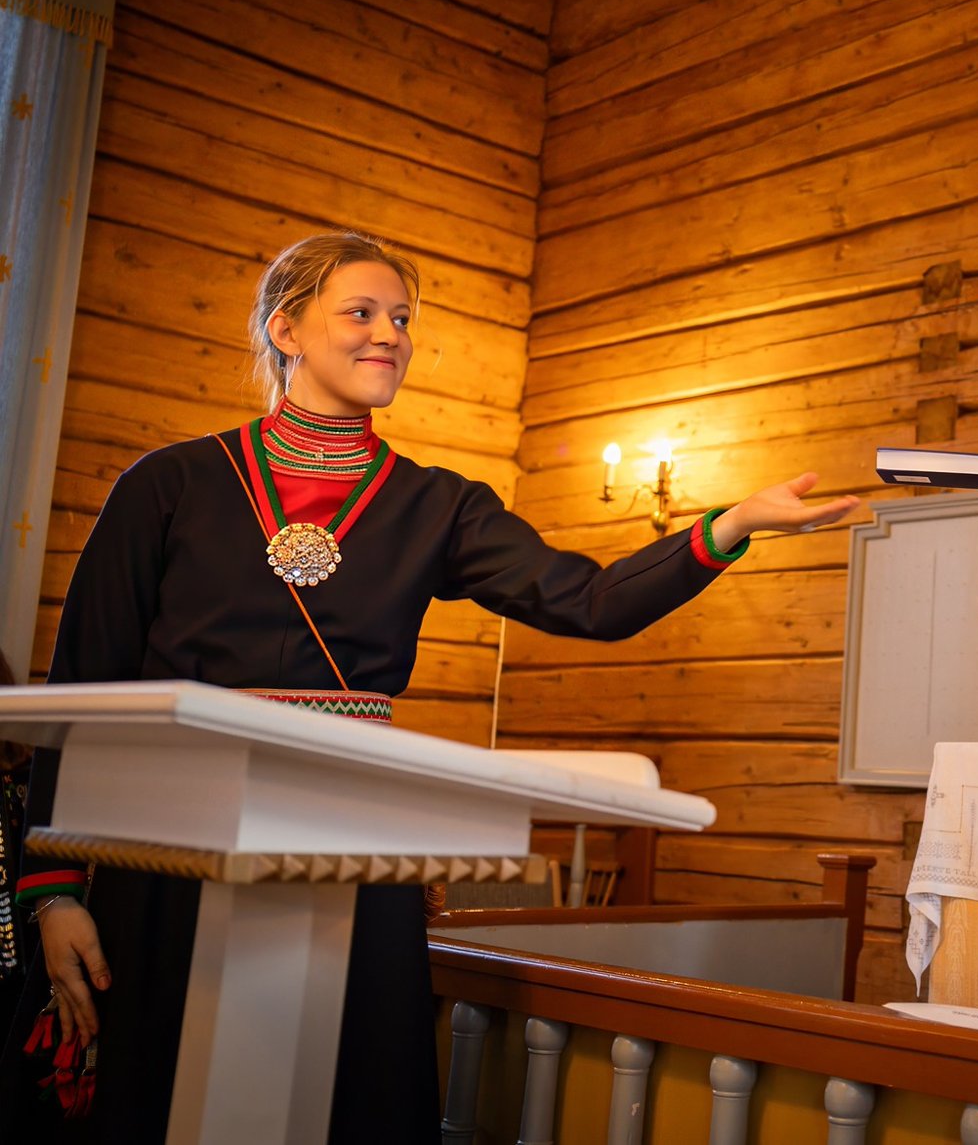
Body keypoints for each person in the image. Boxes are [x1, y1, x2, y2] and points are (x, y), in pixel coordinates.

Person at [2, 232, 859, 1142]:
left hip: (352, 842)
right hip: (174, 842)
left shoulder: (438, 504)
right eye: (361, 312)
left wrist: (731, 524)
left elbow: (594, 601)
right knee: (168, 1090)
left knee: (347, 1098)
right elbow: (83, 682)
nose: (390, 335)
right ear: (286, 330)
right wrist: (53, 889)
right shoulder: (170, 483)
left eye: (402, 319)